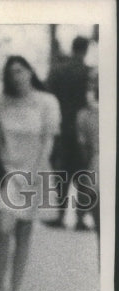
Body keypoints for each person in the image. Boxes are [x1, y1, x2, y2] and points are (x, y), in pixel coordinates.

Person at [0, 56, 60, 291]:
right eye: (11, 72)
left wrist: (36, 173)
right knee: (4, 229)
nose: (16, 76)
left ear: (30, 71)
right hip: (7, 171)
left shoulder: (47, 102)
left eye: (20, 70)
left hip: (35, 171)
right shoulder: (0, 102)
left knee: (25, 231)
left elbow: (47, 140)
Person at [45, 35, 91, 231]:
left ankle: (60, 214)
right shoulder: (89, 72)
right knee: (83, 173)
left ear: (71, 47)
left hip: (62, 128)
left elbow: (48, 96)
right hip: (84, 128)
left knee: (61, 172)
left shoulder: (58, 71)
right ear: (86, 49)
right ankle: (81, 218)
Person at [75, 67, 99, 237]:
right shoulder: (87, 113)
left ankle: (81, 216)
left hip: (95, 161)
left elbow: (83, 143)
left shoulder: (86, 113)